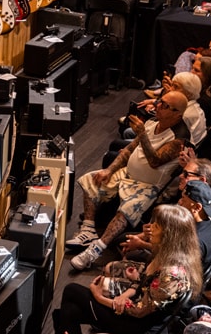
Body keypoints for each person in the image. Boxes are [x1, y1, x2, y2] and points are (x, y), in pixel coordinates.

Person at [56, 205, 202, 334]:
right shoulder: (169, 254)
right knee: (70, 311)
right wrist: (135, 281)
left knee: (72, 291)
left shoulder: (172, 274)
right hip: (138, 307)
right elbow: (149, 286)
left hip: (136, 325)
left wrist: (99, 296)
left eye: (157, 226)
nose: (151, 229)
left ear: (169, 235)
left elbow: (138, 311)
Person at [67, 91, 190, 270]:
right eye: (159, 102)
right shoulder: (151, 123)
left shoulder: (179, 139)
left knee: (126, 210)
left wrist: (142, 134)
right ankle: (88, 228)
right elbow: (128, 150)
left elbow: (155, 161)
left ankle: (95, 250)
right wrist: (108, 170)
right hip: (128, 174)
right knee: (92, 180)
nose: (157, 106)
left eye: (164, 105)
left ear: (177, 114)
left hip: (148, 186)